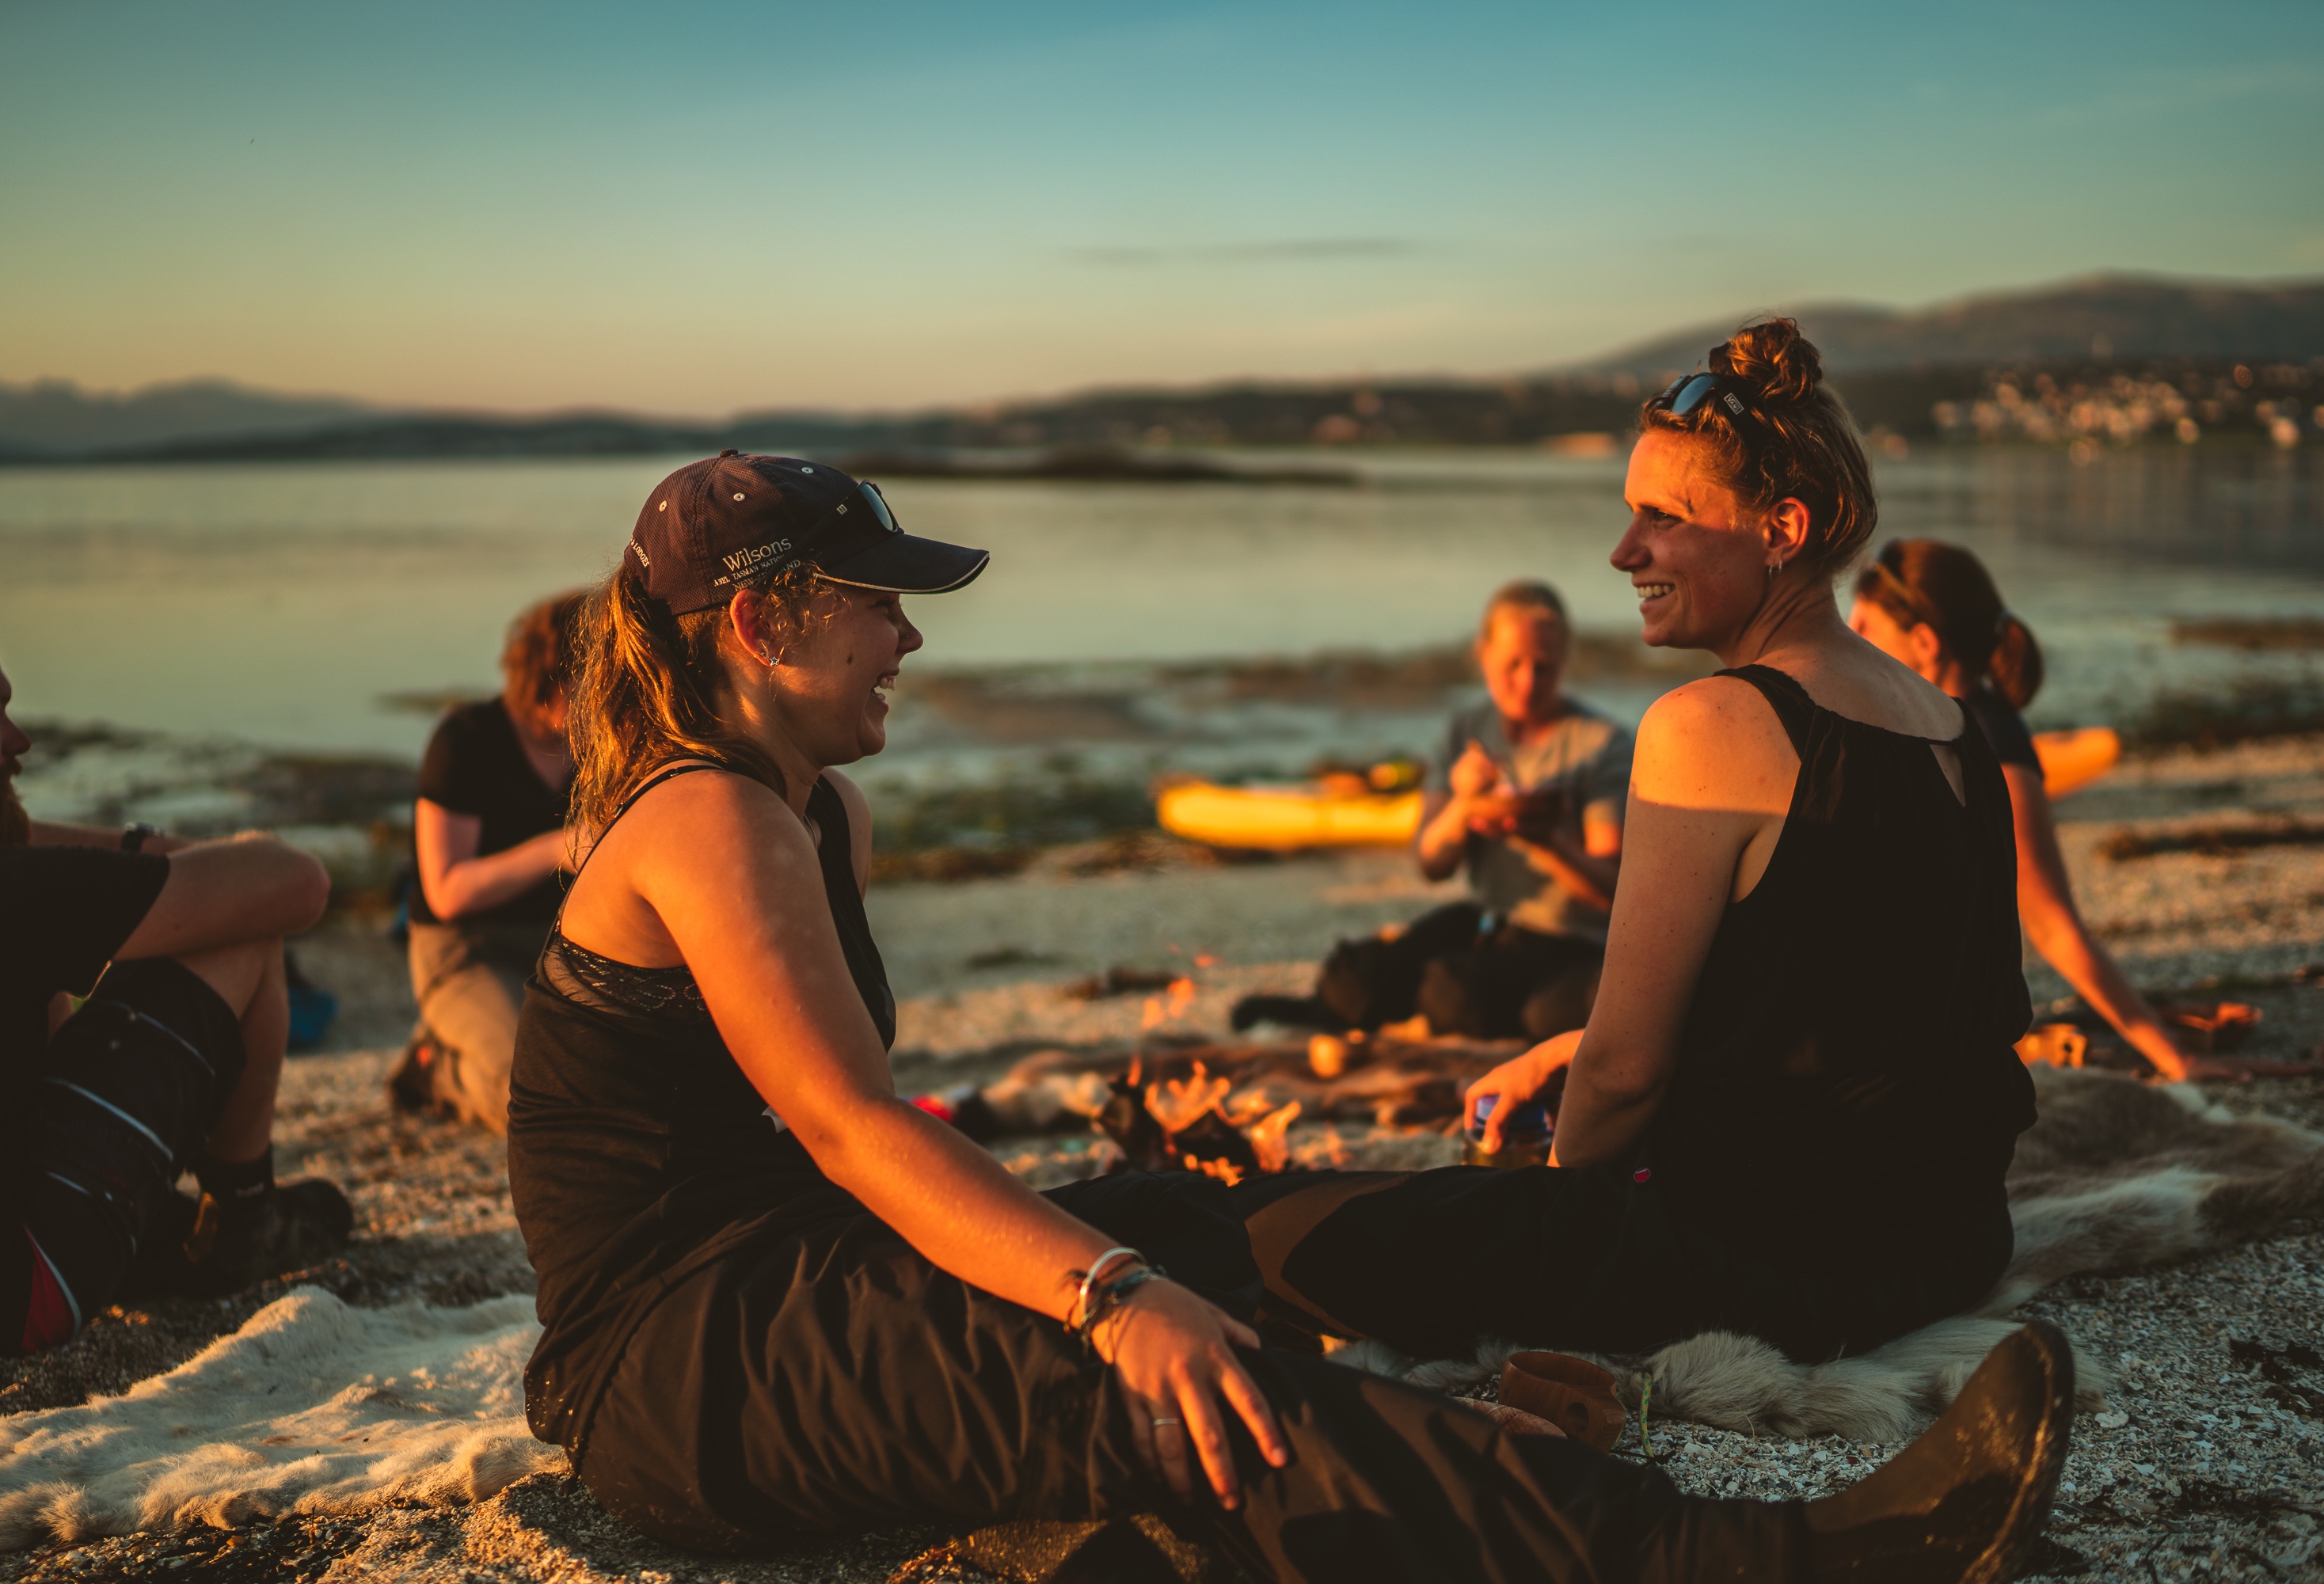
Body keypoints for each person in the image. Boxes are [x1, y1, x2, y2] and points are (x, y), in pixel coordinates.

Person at [504, 453, 2074, 1584]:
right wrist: (1110, 1297)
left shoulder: (813, 811)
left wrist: (1127, 1254)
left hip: (791, 1271)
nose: (908, 638)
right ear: (764, 621)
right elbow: (849, 1130)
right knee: (1189, 1367)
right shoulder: (704, 822)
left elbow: (837, 1143)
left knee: (1206, 1222)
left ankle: (1412, 1366)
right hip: (680, 1362)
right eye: (878, 605)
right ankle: (1769, 1558)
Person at [1236, 320, 2044, 1378]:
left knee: (1271, 1237)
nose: (1624, 554)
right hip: (1948, 1245)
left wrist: (1559, 1192)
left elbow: (1625, 1077)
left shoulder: (1710, 727)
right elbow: (1878, 1008)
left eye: (1662, 519)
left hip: (1765, 1268)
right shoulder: (1950, 729)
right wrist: (1573, 1051)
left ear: (1780, 529)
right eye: (1630, 516)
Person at [0, 593, 352, 1359]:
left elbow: (20, 862)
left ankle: (158, 1227)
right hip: (7, 1299)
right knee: (239, 933)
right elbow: (292, 882)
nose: (20, 740)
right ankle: (244, 1217)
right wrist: (144, 853)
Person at [1850, 540, 2321, 1084]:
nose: (1850, 645)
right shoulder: (1931, 727)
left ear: (1925, 643)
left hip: (1921, 1033)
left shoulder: (1990, 747)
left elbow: (2054, 926)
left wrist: (2177, 1059)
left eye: (1864, 629)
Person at [1232, 583, 1630, 1042]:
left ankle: (1415, 1012)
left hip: (1567, 941)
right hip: (1489, 921)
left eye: (1545, 668)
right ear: (1483, 655)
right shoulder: (1467, 730)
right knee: (1356, 979)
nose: (1527, 683)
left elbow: (1613, 891)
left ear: (1565, 662)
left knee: (1455, 994)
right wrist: (1463, 807)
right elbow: (1431, 864)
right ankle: (1347, 1010)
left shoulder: (1601, 744)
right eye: (1512, 666)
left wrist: (1544, 842)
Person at [391, 591, 582, 1134]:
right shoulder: (465, 741)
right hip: (463, 950)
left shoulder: (599, 744)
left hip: (559, 945)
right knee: (529, 1096)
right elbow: (446, 889)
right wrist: (558, 848)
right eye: (592, 682)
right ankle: (438, 1071)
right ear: (550, 676)